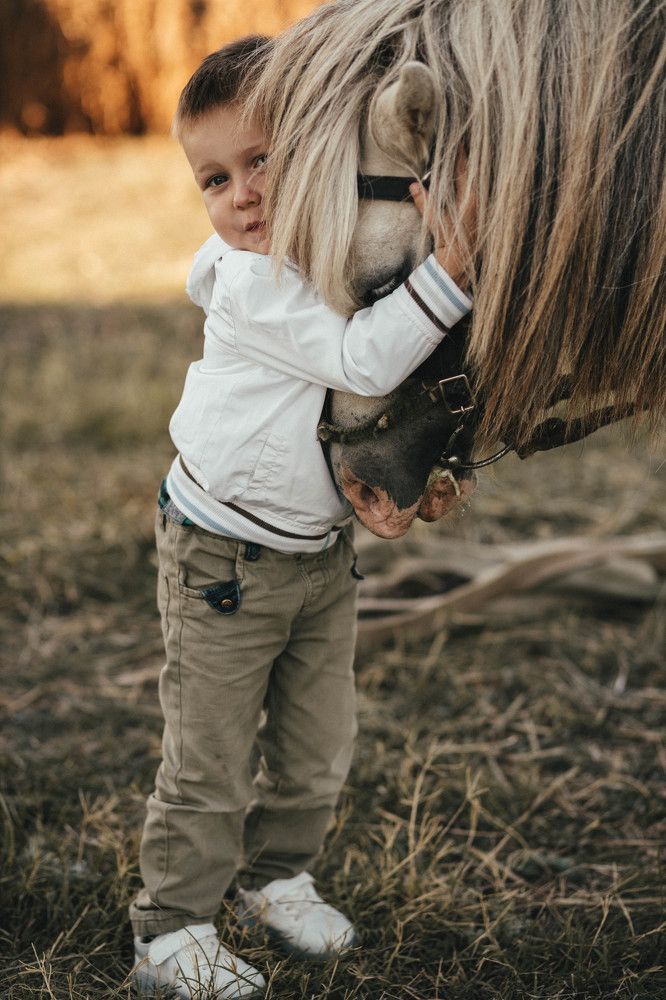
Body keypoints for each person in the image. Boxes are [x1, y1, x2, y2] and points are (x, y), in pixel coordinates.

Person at [130, 35, 473, 999]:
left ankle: (277, 880)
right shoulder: (252, 284)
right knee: (210, 757)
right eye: (213, 179)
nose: (240, 194)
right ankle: (170, 930)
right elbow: (365, 360)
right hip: (224, 560)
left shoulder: (322, 265)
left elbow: (372, 401)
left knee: (318, 744)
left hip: (320, 558)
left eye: (262, 161)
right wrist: (454, 268)